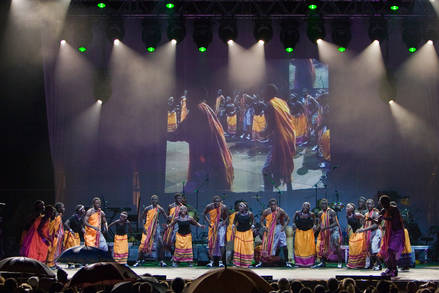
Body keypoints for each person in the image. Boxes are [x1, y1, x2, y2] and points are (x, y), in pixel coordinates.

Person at [168, 88, 234, 192]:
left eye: (188, 98)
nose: (186, 102)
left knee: (196, 187)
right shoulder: (205, 107)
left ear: (194, 98)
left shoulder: (196, 111)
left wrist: (163, 135)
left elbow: (180, 133)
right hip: (211, 155)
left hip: (203, 157)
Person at [261, 84, 296, 192]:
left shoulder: (269, 105)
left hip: (279, 140)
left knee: (266, 170)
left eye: (263, 92)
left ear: (268, 93)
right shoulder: (282, 102)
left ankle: (269, 193)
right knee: (284, 165)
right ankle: (290, 190)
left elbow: (270, 126)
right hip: (289, 137)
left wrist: (262, 133)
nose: (262, 94)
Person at [256, 198, 291, 267]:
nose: (273, 206)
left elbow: (288, 219)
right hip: (269, 229)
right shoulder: (266, 211)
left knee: (284, 246)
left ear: (276, 205)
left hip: (279, 228)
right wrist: (264, 227)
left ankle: (287, 262)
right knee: (268, 246)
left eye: (274, 204)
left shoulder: (280, 210)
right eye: (271, 205)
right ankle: (265, 262)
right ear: (269, 205)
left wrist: (284, 227)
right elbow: (261, 221)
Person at [377, 195, 405, 277]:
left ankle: (394, 269)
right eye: (381, 203)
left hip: (397, 232)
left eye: (383, 202)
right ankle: (390, 268)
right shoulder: (383, 210)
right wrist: (372, 220)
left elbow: (394, 220)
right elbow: (378, 221)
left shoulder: (394, 209)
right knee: (385, 251)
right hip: (389, 232)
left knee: (390, 250)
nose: (382, 204)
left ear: (387, 202)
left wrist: (384, 218)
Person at [136, 195, 168, 267]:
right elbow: (141, 218)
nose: (154, 201)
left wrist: (168, 223)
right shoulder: (147, 208)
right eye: (153, 199)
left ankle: (161, 261)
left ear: (158, 200)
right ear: (151, 200)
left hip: (156, 227)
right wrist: (143, 228)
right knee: (143, 244)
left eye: (156, 199)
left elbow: (167, 218)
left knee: (160, 243)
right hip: (147, 227)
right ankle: (139, 261)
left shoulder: (160, 209)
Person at [313, 198, 343, 268]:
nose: (323, 205)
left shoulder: (331, 212)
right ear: (320, 205)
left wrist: (326, 227)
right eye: (322, 204)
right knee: (321, 246)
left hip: (333, 230)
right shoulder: (320, 213)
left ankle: (340, 261)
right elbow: (320, 224)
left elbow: (335, 223)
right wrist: (315, 230)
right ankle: (322, 262)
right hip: (324, 230)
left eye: (325, 203)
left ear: (327, 204)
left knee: (336, 244)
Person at [356, 199, 382, 270]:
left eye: (370, 204)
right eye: (367, 204)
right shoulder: (366, 214)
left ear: (373, 205)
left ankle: (379, 265)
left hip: (376, 232)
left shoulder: (375, 213)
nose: (368, 205)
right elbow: (364, 224)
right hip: (370, 233)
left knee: (374, 249)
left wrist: (364, 229)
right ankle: (372, 264)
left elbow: (375, 225)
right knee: (369, 250)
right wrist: (361, 218)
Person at [203, 195, 228, 267]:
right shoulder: (209, 206)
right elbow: (204, 214)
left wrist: (223, 223)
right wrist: (209, 223)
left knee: (221, 243)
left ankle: (220, 261)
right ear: (213, 202)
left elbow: (227, 216)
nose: (217, 203)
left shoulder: (224, 207)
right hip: (212, 225)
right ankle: (211, 261)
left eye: (218, 202)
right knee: (210, 242)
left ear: (220, 202)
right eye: (215, 202)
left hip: (221, 225)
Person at [232, 201, 255, 267]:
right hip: (239, 233)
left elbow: (253, 221)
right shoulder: (237, 214)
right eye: (239, 206)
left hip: (247, 233)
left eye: (241, 206)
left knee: (247, 247)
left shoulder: (250, 214)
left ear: (245, 207)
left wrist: (253, 225)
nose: (239, 207)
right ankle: (237, 263)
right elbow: (234, 221)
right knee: (238, 247)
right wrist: (233, 226)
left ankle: (248, 263)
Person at [293, 202, 316, 267]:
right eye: (304, 206)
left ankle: (310, 263)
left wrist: (314, 225)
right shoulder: (297, 213)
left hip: (309, 233)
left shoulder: (312, 214)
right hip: (299, 233)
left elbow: (314, 221)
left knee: (309, 248)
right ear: (302, 206)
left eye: (307, 206)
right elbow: (294, 220)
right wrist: (294, 224)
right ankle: (298, 263)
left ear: (309, 207)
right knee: (299, 247)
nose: (306, 207)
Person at [163, 193, 185, 258]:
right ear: (175, 199)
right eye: (178, 198)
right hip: (170, 225)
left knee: (176, 241)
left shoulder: (183, 207)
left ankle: (175, 257)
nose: (180, 200)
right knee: (167, 242)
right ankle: (173, 254)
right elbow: (167, 217)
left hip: (178, 226)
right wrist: (167, 224)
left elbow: (184, 217)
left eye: (181, 198)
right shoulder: (171, 206)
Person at [345, 203, 367, 269]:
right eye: (346, 207)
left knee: (358, 249)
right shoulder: (347, 216)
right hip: (354, 233)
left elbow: (365, 218)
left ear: (353, 208)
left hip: (359, 232)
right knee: (353, 248)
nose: (347, 208)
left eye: (348, 207)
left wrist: (363, 227)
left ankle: (359, 264)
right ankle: (353, 264)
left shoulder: (356, 214)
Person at [47, 202, 65, 269]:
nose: (64, 209)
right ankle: (50, 264)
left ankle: (54, 263)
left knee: (56, 250)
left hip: (58, 236)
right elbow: (53, 226)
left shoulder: (59, 215)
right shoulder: (55, 216)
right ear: (59, 208)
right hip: (53, 236)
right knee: (52, 249)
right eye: (62, 207)